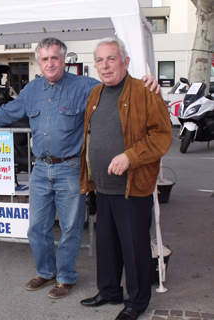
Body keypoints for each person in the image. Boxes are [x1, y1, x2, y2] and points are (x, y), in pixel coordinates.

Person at [0, 37, 160, 299]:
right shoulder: (32, 90)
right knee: (37, 226)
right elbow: (9, 112)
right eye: (44, 59)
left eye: (54, 58)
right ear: (38, 62)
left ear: (64, 60)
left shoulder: (85, 87)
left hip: (70, 169)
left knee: (70, 227)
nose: (50, 63)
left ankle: (66, 277)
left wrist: (147, 83)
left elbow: (116, 84)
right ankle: (45, 273)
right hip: (40, 171)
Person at [79, 37, 172, 320]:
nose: (105, 66)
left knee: (134, 249)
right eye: (99, 60)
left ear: (125, 61)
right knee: (106, 245)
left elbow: (162, 135)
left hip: (133, 187)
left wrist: (130, 156)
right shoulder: (95, 94)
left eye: (111, 58)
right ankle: (109, 291)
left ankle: (138, 301)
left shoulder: (145, 91)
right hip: (103, 187)